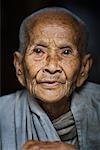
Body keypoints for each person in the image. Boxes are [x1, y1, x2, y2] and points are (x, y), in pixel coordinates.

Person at [0, 7, 100, 150]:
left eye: (66, 52)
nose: (52, 66)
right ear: (19, 67)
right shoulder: (2, 113)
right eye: (38, 51)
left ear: (83, 69)